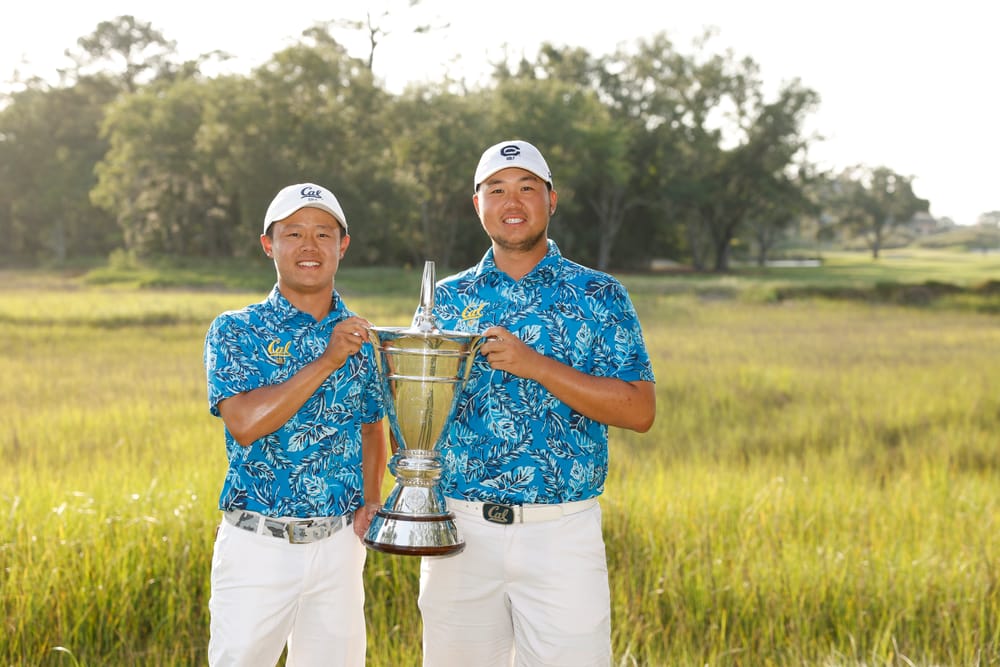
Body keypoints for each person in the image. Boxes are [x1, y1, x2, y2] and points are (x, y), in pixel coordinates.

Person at [418, 140, 657, 666]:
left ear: (552, 200)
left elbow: (639, 410)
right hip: (460, 529)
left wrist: (537, 365)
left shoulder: (599, 295)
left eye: (528, 188)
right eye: (497, 190)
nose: (513, 201)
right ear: (475, 203)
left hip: (562, 533)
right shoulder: (447, 301)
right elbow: (416, 413)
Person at [203, 182, 386, 667]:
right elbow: (244, 422)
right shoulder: (236, 329)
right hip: (258, 545)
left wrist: (372, 499)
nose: (310, 246)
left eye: (324, 234)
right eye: (294, 233)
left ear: (342, 246)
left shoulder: (362, 336)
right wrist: (327, 359)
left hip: (340, 548)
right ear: (269, 244)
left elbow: (372, 426)